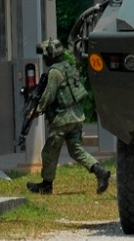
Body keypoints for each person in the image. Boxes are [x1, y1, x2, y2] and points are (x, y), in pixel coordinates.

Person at [26, 38, 111, 196]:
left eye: (45, 55)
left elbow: (49, 95)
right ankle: (100, 171)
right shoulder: (67, 67)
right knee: (76, 150)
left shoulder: (55, 72)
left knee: (49, 152)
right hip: (76, 116)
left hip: (62, 118)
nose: (44, 58)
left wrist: (36, 110)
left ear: (50, 56)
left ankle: (46, 185)